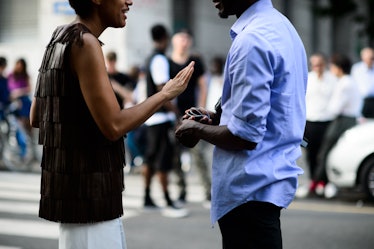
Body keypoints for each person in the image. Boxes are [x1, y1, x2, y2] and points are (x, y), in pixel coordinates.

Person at [29, 0, 194, 248]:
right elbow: (114, 126)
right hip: (90, 203)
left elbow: (37, 116)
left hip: (76, 200)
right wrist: (165, 94)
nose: (129, 1)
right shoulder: (86, 42)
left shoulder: (59, 36)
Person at [175, 0, 308, 248]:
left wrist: (195, 129)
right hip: (263, 188)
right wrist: (215, 120)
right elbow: (266, 114)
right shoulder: (281, 27)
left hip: (249, 192)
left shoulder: (252, 41)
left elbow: (245, 136)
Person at [142, 23, 188, 217]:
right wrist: (176, 111)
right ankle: (167, 200)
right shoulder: (160, 59)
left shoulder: (150, 58)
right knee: (163, 161)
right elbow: (164, 90)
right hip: (160, 118)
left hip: (152, 118)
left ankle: (147, 198)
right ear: (165, 38)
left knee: (151, 159)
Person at [168, 29, 210, 205]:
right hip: (174, 114)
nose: (184, 42)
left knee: (198, 154)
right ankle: (182, 191)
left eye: (187, 39)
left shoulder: (196, 62)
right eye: (181, 39)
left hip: (191, 115)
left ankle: (208, 192)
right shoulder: (168, 62)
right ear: (174, 41)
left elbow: (203, 86)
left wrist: (199, 109)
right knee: (175, 156)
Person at [312, 53, 362, 198]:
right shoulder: (349, 81)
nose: (331, 69)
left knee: (326, 152)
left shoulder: (343, 83)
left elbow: (334, 108)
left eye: (333, 66)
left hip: (343, 120)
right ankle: (322, 182)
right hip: (349, 119)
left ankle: (318, 182)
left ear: (338, 68)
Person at [302, 53, 337, 195]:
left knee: (325, 154)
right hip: (310, 121)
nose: (317, 66)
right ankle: (313, 181)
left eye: (320, 63)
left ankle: (324, 182)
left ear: (324, 64)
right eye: (314, 64)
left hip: (327, 121)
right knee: (310, 153)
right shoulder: (308, 78)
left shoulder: (332, 79)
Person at [351, 47, 374, 118]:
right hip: (362, 101)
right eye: (369, 58)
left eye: (372, 58)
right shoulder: (357, 69)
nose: (370, 60)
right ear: (363, 58)